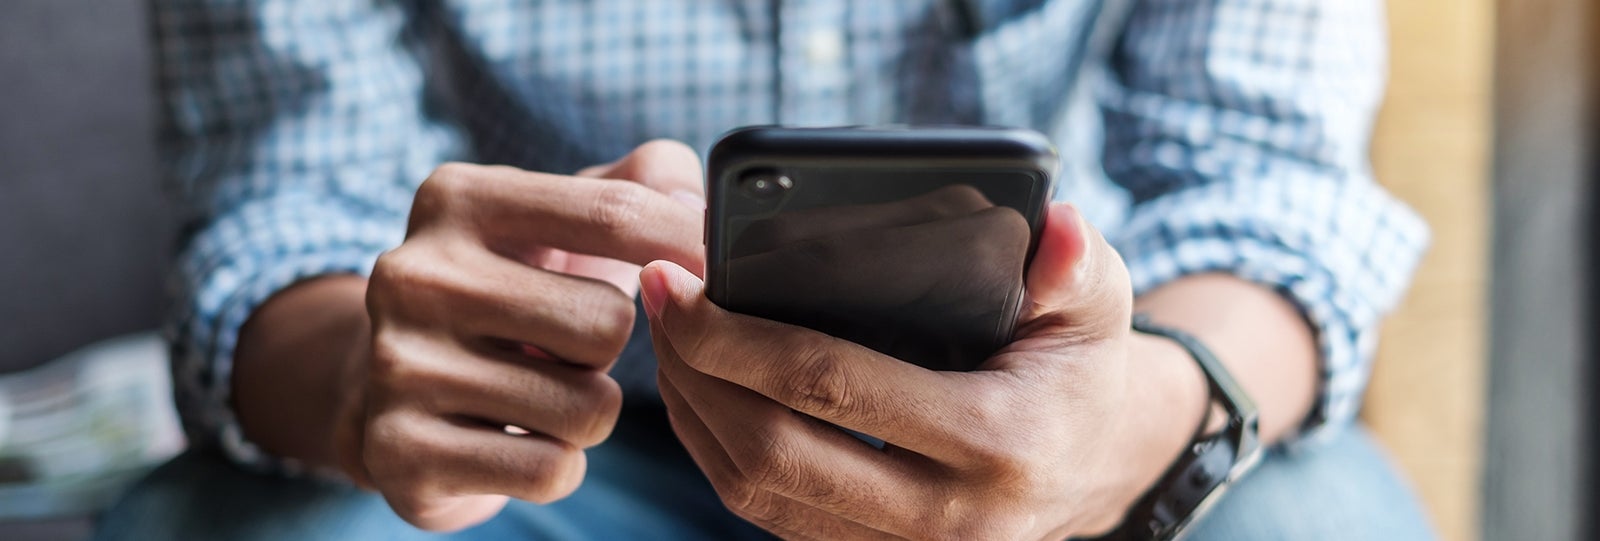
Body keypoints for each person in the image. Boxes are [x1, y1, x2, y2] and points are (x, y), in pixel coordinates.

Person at [97, 0, 1436, 539]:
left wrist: (1142, 419)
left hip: (1058, 411)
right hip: (561, 443)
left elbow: (1266, 181)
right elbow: (280, 195)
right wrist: (360, 381)